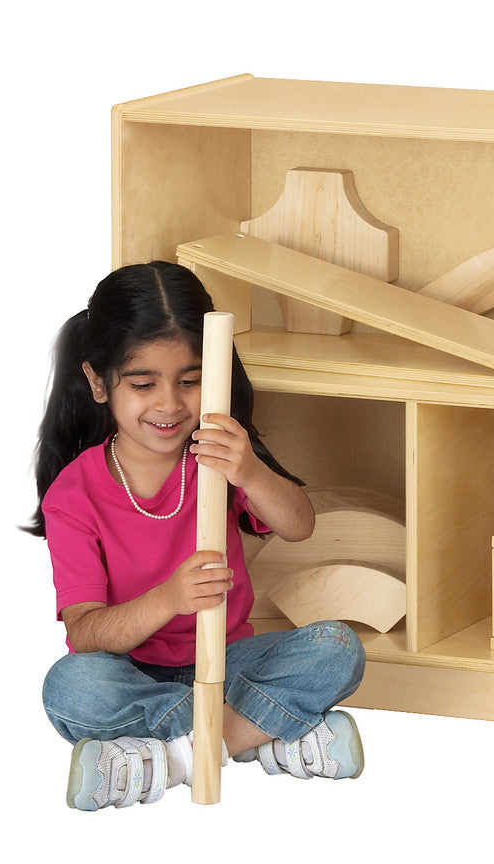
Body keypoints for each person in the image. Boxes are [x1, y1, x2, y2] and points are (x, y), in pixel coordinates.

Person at [28, 261, 367, 810]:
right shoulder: (74, 494)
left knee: (337, 647)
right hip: (134, 674)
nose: (170, 404)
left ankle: (171, 759)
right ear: (98, 382)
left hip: (230, 662)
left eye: (190, 381)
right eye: (144, 384)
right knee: (71, 687)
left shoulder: (217, 454)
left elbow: (299, 525)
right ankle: (266, 737)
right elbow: (87, 634)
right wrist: (169, 598)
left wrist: (251, 472)